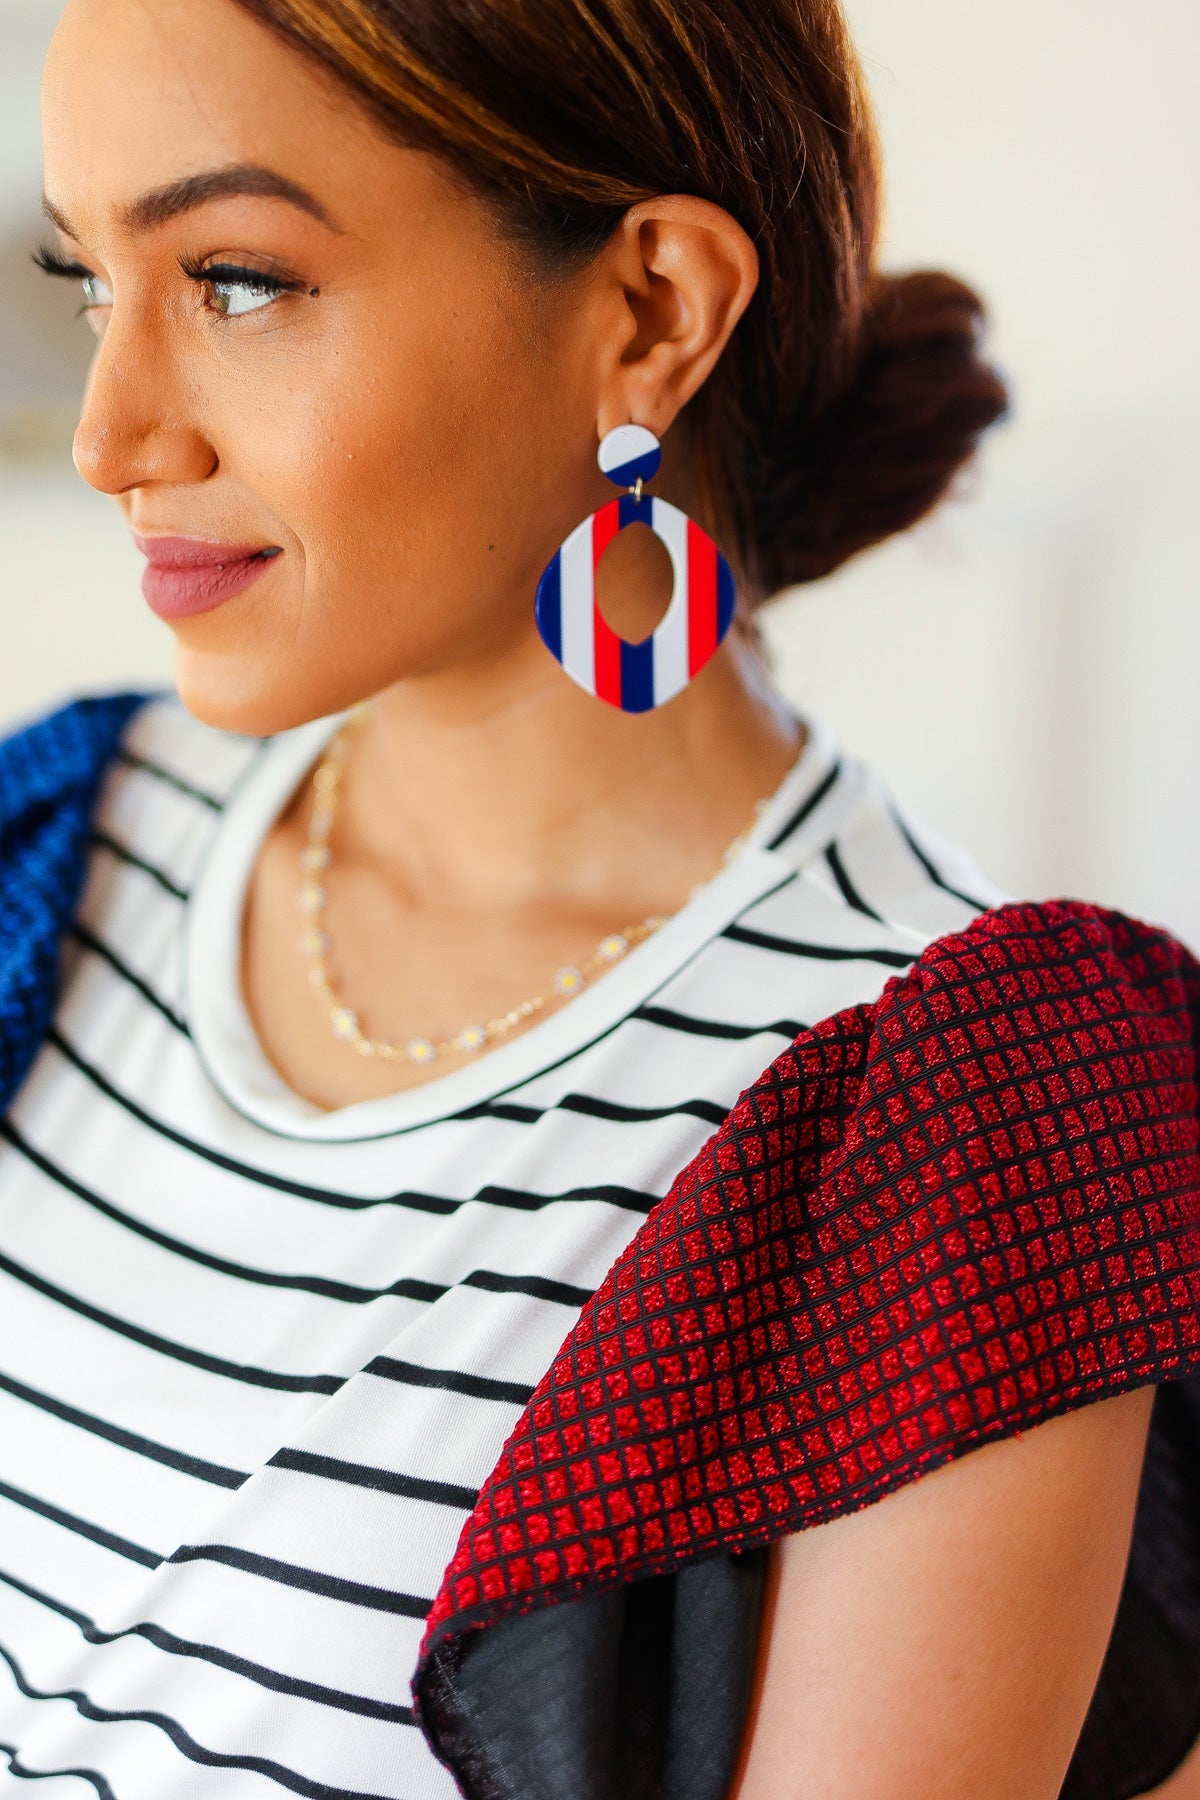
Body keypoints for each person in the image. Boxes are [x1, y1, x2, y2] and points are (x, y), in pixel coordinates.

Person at [2, 0, 1199, 1795]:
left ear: (650, 312)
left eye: (237, 280)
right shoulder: (56, 832)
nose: (112, 435)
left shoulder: (969, 1121)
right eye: (91, 273)